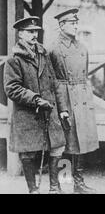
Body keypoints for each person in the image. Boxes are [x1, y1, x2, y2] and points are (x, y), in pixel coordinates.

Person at [3, 16, 68, 194]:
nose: (34, 34)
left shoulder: (44, 54)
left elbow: (55, 83)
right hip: (27, 114)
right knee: (28, 152)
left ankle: (55, 188)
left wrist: (63, 110)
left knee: (58, 147)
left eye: (36, 31)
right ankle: (33, 190)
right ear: (20, 34)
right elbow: (12, 89)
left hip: (50, 112)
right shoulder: (14, 60)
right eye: (30, 32)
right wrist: (36, 99)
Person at [47, 8, 99, 194]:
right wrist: (61, 107)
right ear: (62, 25)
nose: (76, 26)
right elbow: (53, 81)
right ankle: (61, 184)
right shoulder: (54, 48)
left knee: (80, 142)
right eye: (72, 23)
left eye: (76, 23)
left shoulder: (82, 47)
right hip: (65, 98)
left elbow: (84, 76)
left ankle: (78, 184)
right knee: (65, 143)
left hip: (82, 98)